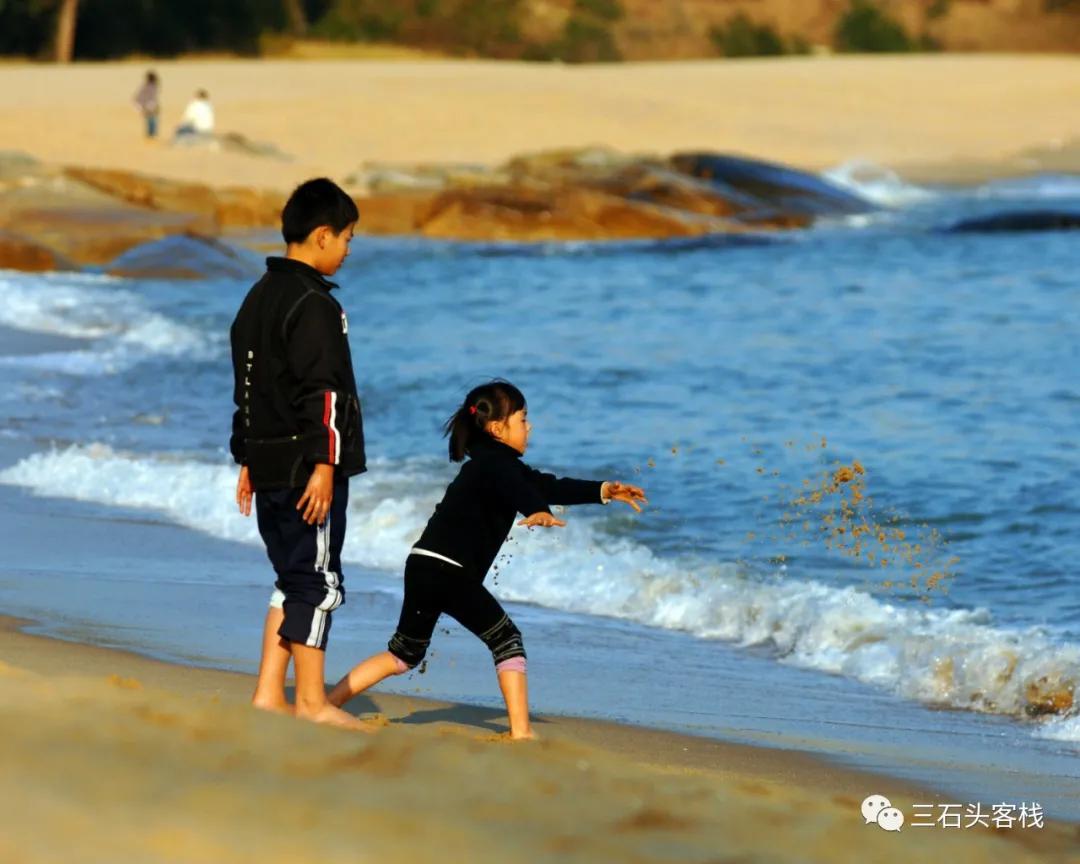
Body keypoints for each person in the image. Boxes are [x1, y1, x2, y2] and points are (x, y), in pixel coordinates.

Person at [328, 380, 647, 739]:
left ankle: (328, 705)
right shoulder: (497, 465)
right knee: (507, 640)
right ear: (498, 428)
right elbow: (522, 490)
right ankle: (521, 732)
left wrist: (602, 490)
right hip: (450, 571)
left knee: (403, 655)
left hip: (422, 564)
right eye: (523, 419)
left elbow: (544, 485)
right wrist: (536, 509)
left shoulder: (494, 464)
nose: (530, 427)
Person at [230, 178, 366, 729]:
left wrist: (245, 457)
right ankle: (311, 702)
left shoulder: (258, 296)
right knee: (316, 580)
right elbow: (324, 393)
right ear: (321, 235)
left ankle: (269, 692)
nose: (349, 250)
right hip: (305, 467)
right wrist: (325, 466)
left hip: (267, 461)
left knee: (290, 575)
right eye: (348, 238)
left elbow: (248, 387)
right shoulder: (313, 305)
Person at [133, 70, 159, 139]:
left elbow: (138, 97)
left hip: (148, 106)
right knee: (152, 121)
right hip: (150, 107)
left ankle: (150, 135)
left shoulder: (146, 86)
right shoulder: (152, 86)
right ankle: (151, 135)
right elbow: (151, 98)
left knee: (150, 121)